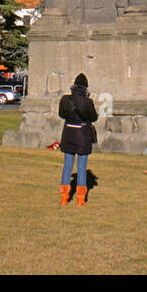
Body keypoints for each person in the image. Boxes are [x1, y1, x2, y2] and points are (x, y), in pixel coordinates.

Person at [57, 73, 98, 206]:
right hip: (82, 134)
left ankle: (64, 197)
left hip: (68, 132)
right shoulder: (87, 102)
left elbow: (61, 114)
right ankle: (81, 198)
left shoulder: (65, 100)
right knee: (81, 167)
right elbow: (93, 117)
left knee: (67, 166)